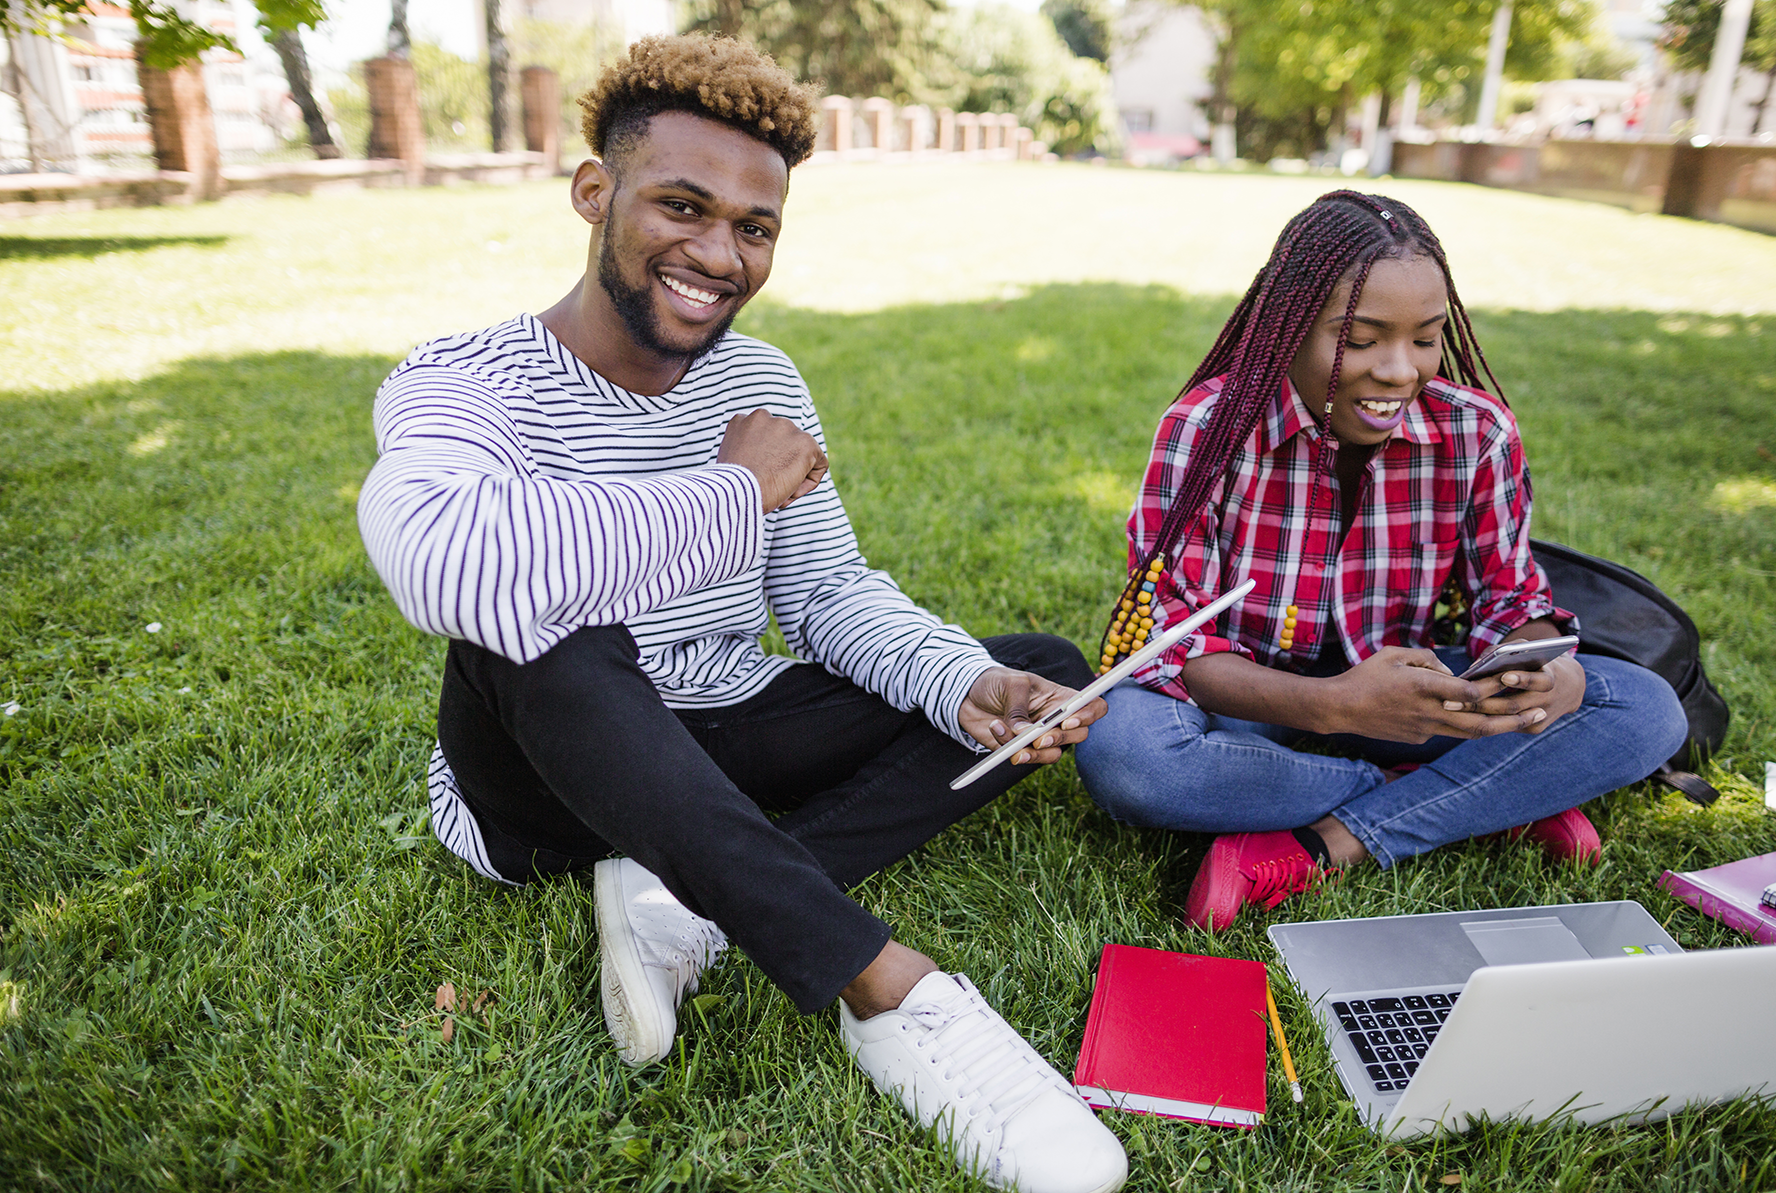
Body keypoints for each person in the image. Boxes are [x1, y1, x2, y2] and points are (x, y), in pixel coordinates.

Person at [356, 36, 1126, 1193]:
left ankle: (686, 905)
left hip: (717, 724)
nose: (718, 254)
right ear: (593, 192)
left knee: (1028, 669)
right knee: (545, 625)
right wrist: (730, 490)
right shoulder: (465, 381)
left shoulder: (761, 382)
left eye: (754, 227)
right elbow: (454, 572)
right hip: (539, 783)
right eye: (682, 205)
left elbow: (825, 595)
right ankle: (888, 987)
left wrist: (960, 682)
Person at [1074, 190, 1687, 932]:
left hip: (1414, 700)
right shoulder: (1207, 428)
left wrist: (1542, 669)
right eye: (1360, 340)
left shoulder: (1475, 431)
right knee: (1127, 754)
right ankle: (1470, 797)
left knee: (1643, 708)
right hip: (1248, 712)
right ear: (1287, 326)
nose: (1400, 370)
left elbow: (1512, 602)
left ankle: (1326, 841)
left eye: (1425, 338)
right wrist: (1334, 704)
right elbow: (1168, 645)